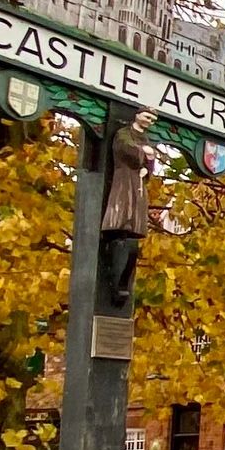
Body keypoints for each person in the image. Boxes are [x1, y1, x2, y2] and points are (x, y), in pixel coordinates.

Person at [97, 111, 157, 310]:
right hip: (124, 178)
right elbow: (124, 148)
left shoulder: (145, 138)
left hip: (138, 179)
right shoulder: (124, 133)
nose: (149, 122)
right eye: (147, 117)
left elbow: (151, 160)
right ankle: (119, 233)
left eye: (152, 120)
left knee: (135, 211)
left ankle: (128, 235)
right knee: (123, 207)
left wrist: (147, 167)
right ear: (138, 115)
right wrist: (144, 152)